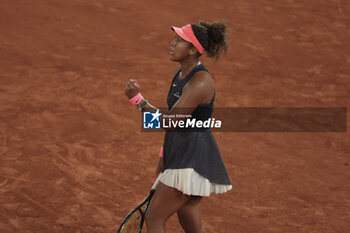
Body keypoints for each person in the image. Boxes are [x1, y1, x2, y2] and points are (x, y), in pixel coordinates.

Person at [125, 21, 232, 233]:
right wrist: (165, 153)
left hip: (191, 161)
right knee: (192, 225)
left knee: (154, 217)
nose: (172, 44)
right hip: (184, 153)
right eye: (174, 39)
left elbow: (169, 122)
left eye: (179, 41)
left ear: (193, 50)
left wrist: (138, 101)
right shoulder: (180, 73)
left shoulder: (200, 82)